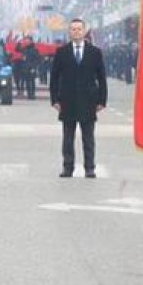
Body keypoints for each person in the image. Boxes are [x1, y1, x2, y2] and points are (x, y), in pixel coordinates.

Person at [50, 19, 107, 178]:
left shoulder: (95, 52)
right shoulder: (62, 52)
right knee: (68, 138)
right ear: (69, 32)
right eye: (73, 29)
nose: (76, 32)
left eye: (79, 29)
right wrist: (54, 99)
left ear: (84, 31)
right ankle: (68, 167)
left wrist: (102, 100)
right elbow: (54, 77)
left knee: (88, 138)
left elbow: (101, 78)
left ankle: (89, 167)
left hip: (88, 101)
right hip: (67, 101)